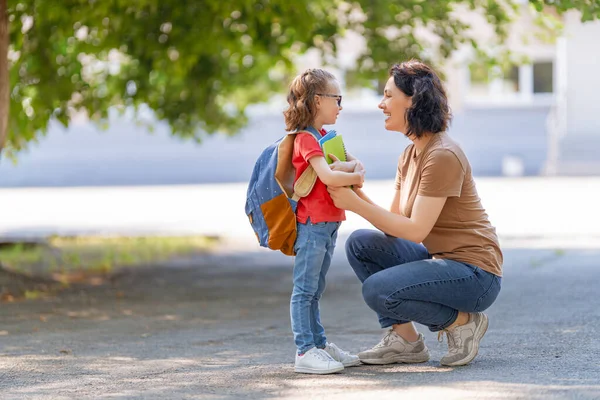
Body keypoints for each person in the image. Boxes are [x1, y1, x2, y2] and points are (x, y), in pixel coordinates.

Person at [327, 60, 503, 367]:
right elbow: (394, 226)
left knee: (378, 290)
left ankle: (462, 322)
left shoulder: (442, 155)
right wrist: (355, 186)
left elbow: (415, 231)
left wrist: (353, 203)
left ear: (414, 100)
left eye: (388, 95)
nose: (381, 104)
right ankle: (406, 341)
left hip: (476, 275)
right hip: (446, 264)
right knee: (361, 244)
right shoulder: (410, 154)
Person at [284, 68, 365, 374]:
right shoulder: (306, 139)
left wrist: (352, 168)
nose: (340, 106)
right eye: (337, 99)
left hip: (329, 225)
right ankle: (305, 351)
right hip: (314, 224)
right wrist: (354, 174)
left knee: (315, 289)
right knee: (304, 289)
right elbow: (332, 175)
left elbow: (354, 162)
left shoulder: (325, 137)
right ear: (318, 101)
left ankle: (319, 344)